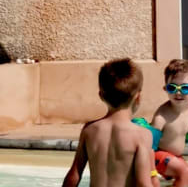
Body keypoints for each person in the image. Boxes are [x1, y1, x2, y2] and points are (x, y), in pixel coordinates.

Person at [63, 58, 159, 187]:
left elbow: (74, 175)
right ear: (138, 97)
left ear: (101, 96)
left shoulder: (89, 130)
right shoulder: (142, 135)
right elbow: (143, 183)